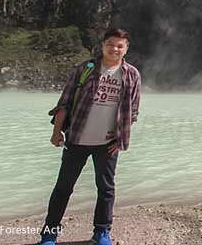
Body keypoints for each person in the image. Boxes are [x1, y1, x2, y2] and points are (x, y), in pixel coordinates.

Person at [40, 28, 142, 245]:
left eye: (120, 45)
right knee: (63, 188)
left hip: (107, 144)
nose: (114, 48)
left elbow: (132, 111)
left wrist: (121, 140)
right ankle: (49, 234)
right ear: (103, 45)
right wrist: (56, 131)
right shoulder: (84, 69)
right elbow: (64, 103)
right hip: (76, 139)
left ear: (126, 49)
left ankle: (102, 232)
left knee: (106, 189)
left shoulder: (132, 74)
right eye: (110, 44)